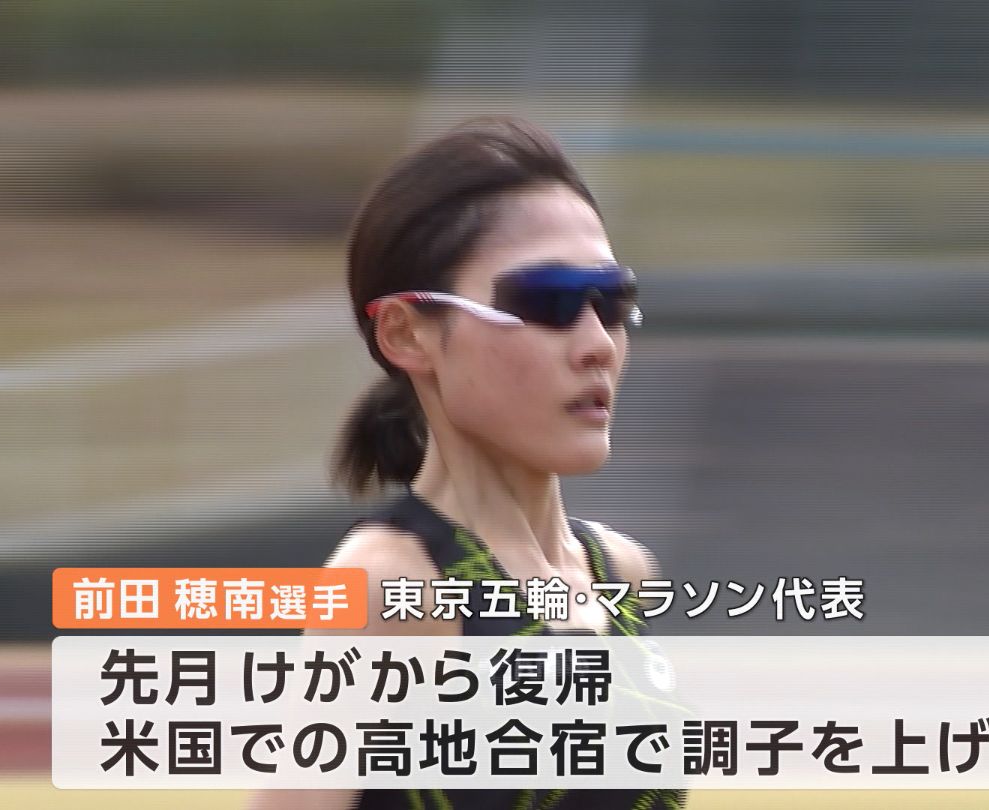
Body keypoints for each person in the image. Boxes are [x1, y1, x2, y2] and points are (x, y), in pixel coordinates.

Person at [247, 116, 685, 809]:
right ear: (406, 334)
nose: (598, 344)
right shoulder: (389, 591)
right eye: (547, 302)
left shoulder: (622, 575)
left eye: (612, 302)